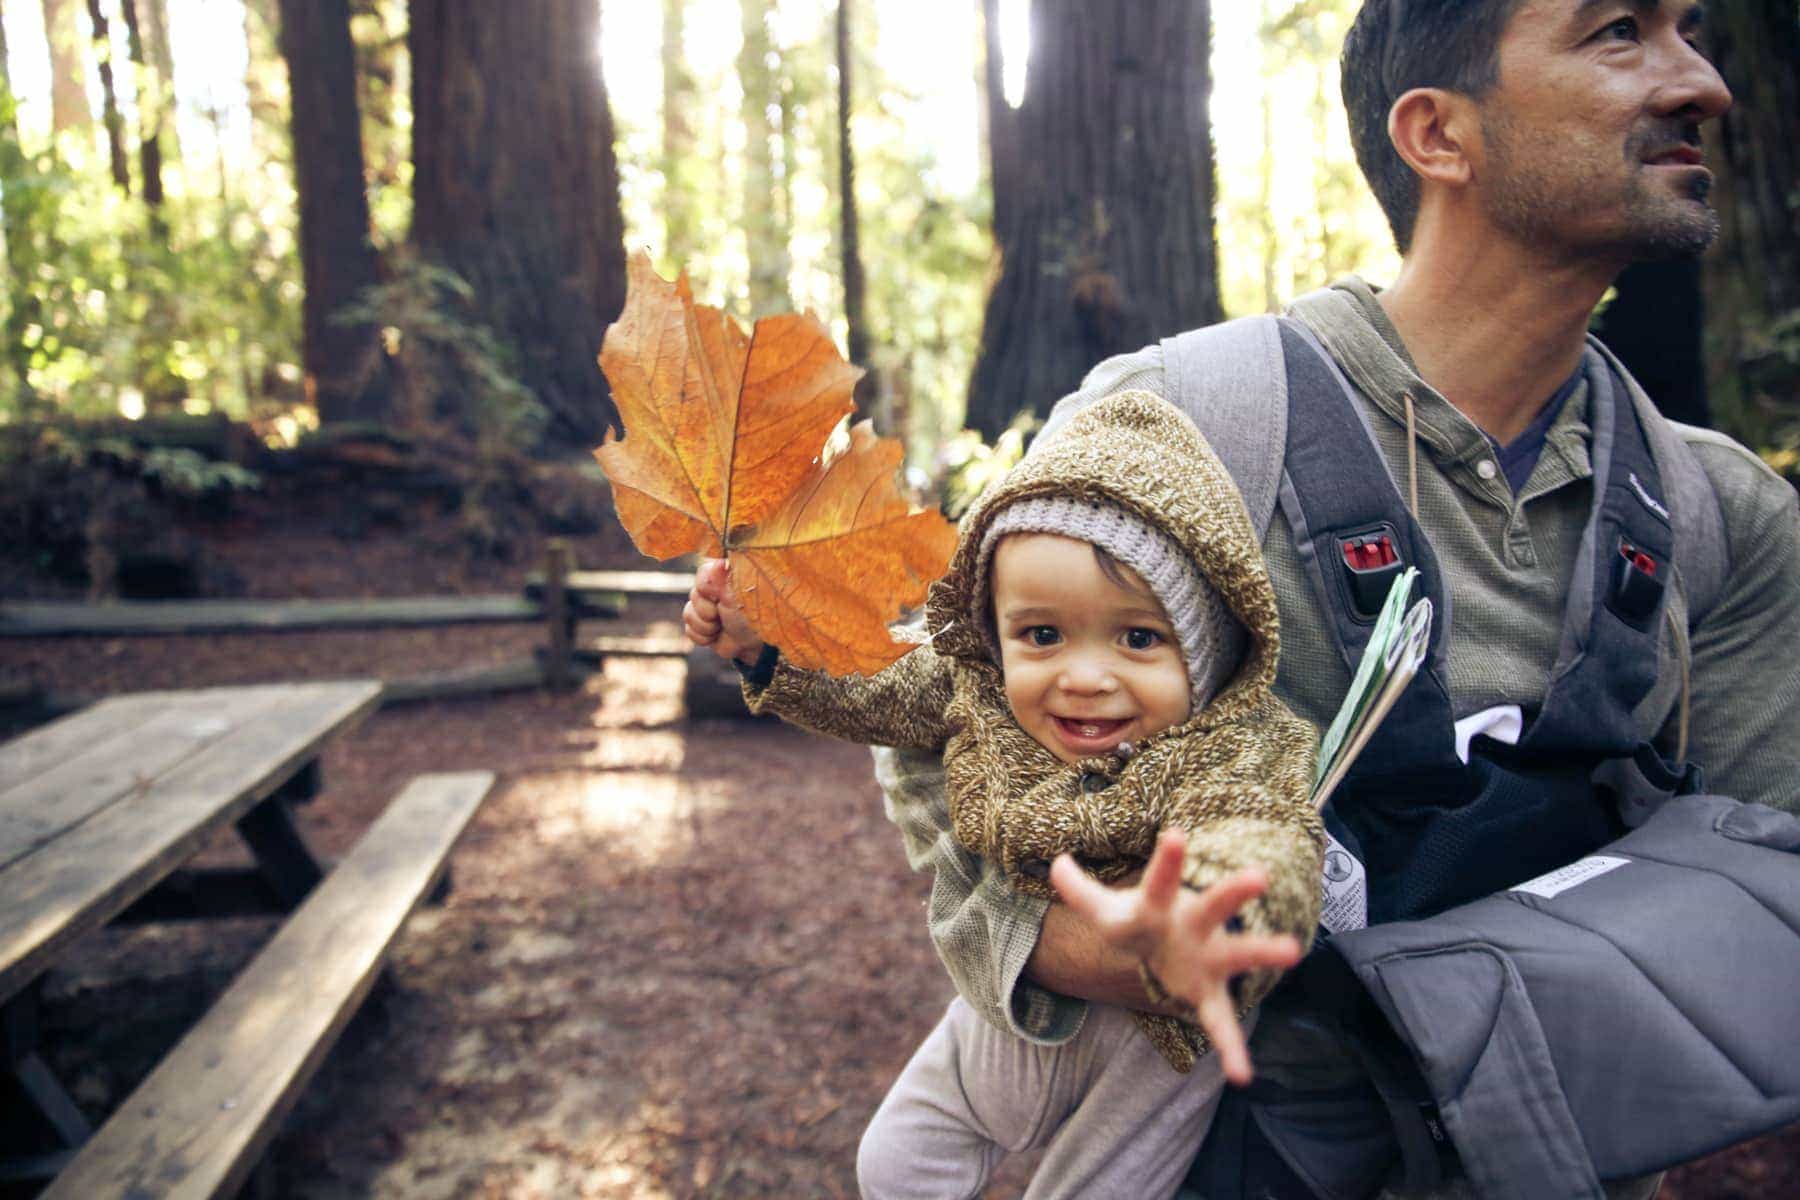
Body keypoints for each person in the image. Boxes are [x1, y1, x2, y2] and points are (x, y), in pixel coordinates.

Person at [692, 1, 1800, 1197]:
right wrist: (1085, 951)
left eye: (1693, 29)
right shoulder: (1185, 421)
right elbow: (951, 722)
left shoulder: (1719, 514)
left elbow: (1761, 869)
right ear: (1437, 133)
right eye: (1619, 32)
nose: (1702, 83)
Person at [684, 392, 1327, 1199]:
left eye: (1138, 638)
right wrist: (767, 647)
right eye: (1042, 635)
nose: (1083, 678)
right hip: (1005, 1007)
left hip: (1155, 1047)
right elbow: (871, 678)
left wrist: (1208, 917)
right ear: (994, 631)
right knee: (895, 1165)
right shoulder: (979, 687)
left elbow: (1267, 835)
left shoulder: (1230, 744)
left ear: (1207, 646)